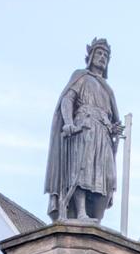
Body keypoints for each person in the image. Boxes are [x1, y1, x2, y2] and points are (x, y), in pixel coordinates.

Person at [44, 38, 124, 222]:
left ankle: (97, 219)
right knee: (82, 169)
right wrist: (68, 122)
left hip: (104, 133)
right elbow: (67, 99)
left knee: (108, 177)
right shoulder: (81, 77)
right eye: (99, 53)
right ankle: (81, 213)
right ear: (91, 56)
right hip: (84, 127)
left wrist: (114, 128)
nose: (102, 57)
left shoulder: (108, 89)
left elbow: (112, 116)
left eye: (106, 55)